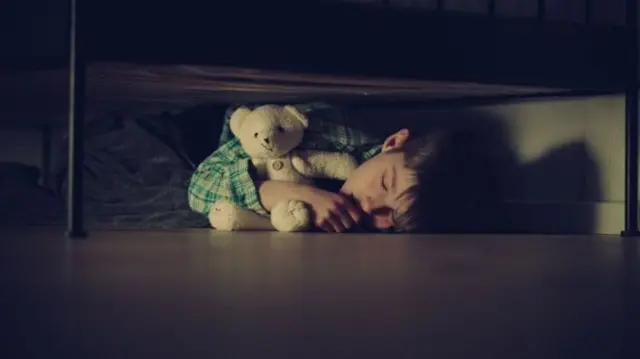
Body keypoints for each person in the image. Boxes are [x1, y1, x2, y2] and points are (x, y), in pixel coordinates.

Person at [188, 103, 441, 233]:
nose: (371, 206)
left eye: (393, 217)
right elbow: (200, 188)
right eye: (384, 183)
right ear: (393, 142)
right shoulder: (319, 134)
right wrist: (295, 193)